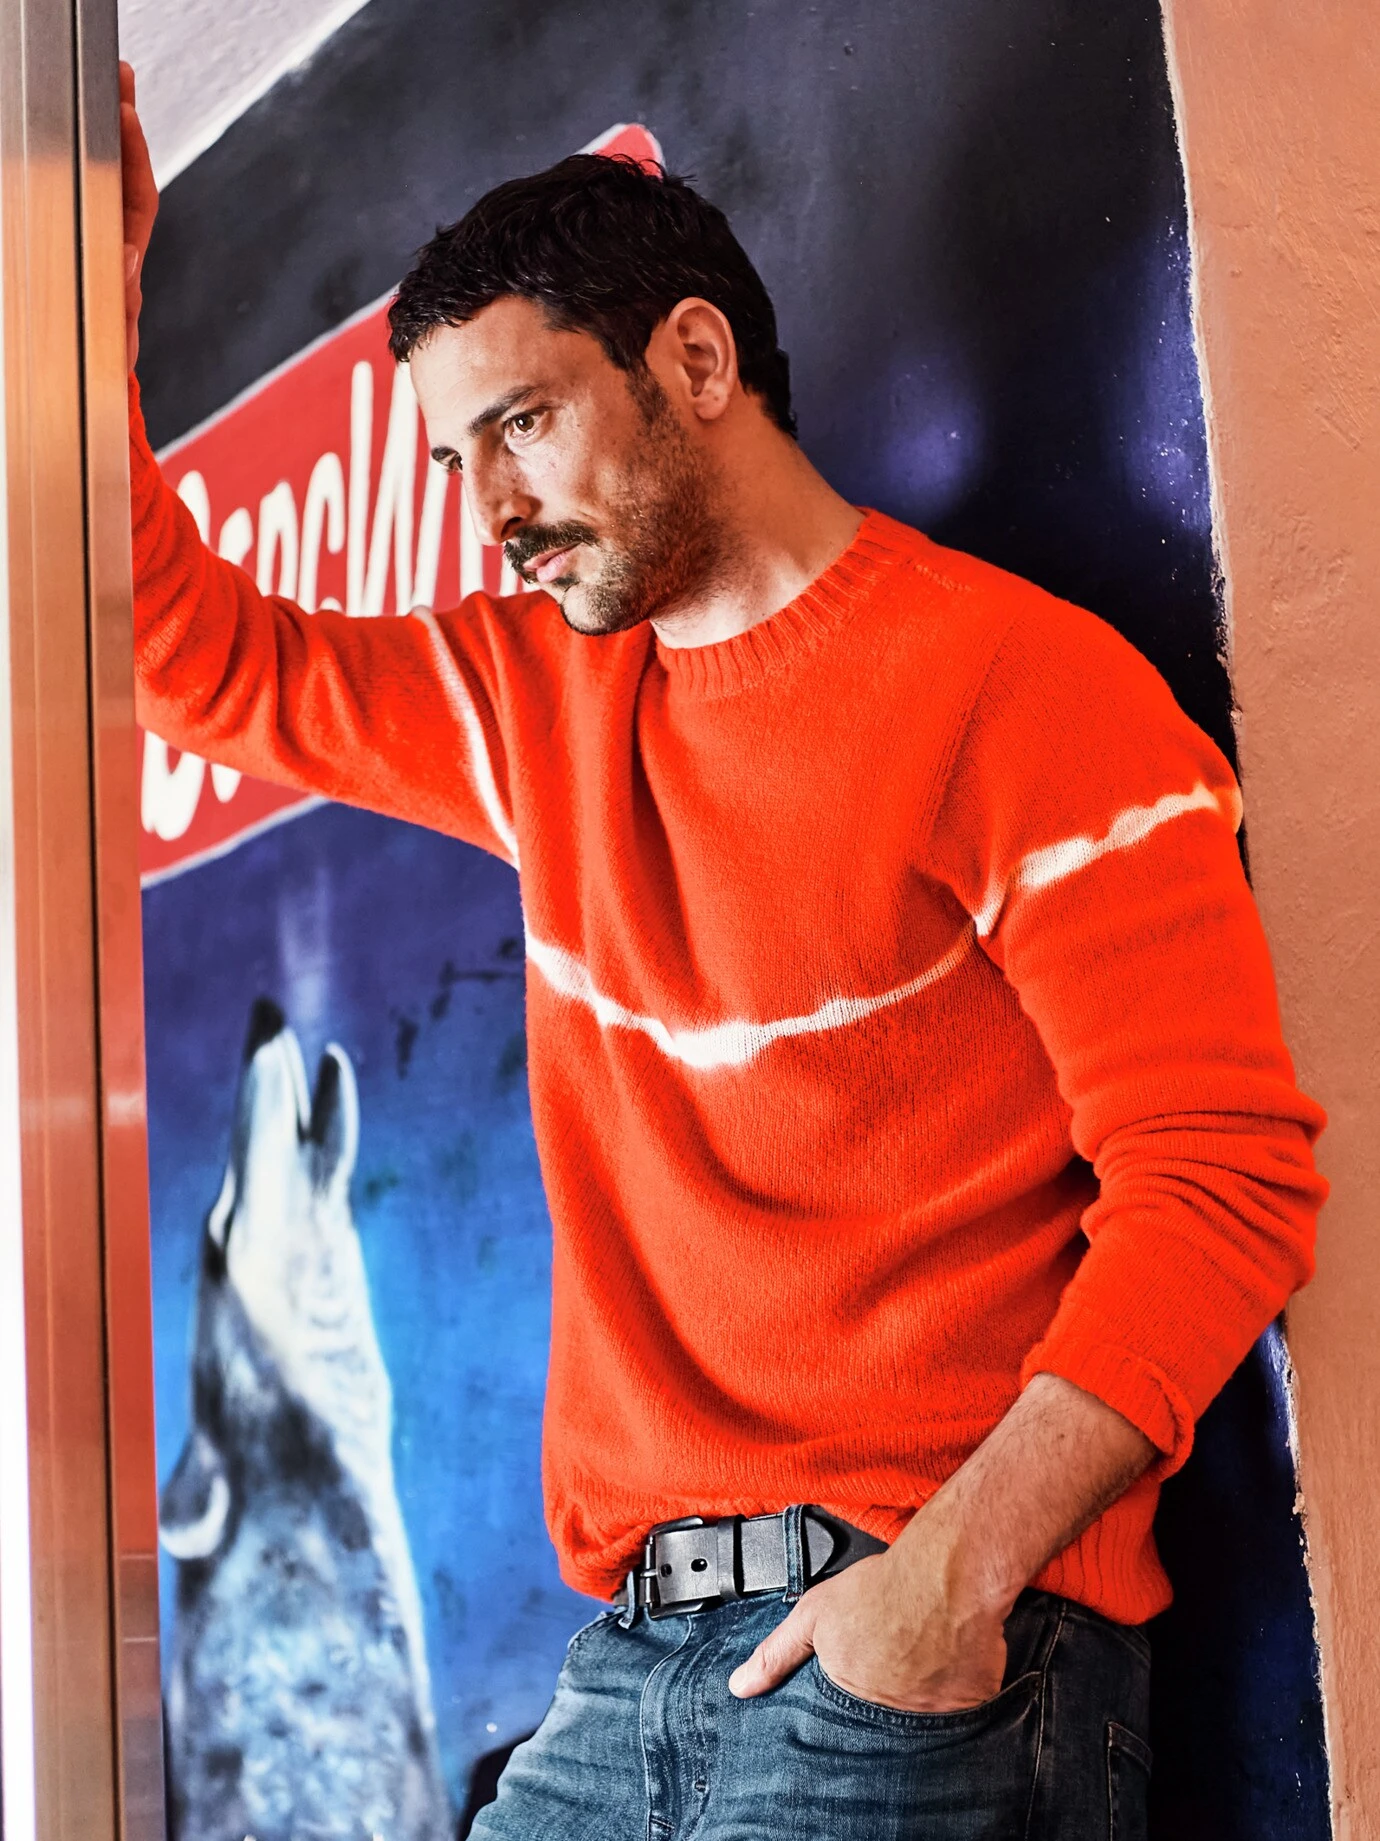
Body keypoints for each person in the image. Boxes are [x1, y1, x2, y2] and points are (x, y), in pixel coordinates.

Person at [120, 61, 1325, 1840]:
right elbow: (186, 657)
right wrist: (74, 327)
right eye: (455, 460)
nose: (488, 510)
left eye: (522, 426)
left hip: (914, 1657)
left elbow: (1222, 1176)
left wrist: (950, 1581)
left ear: (693, 361)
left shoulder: (1026, 693)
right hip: (623, 1672)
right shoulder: (536, 702)